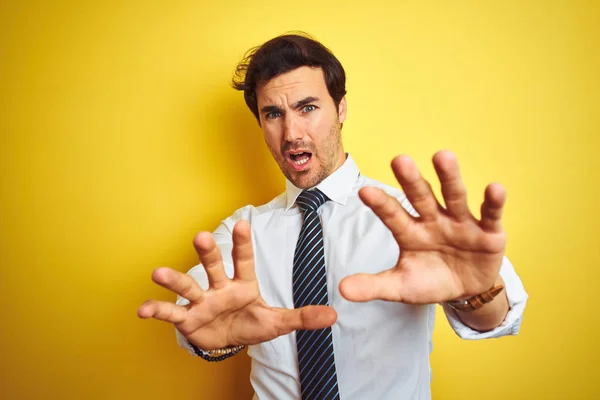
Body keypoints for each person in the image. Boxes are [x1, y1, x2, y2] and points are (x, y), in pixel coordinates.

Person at [138, 33, 528, 400]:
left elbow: (494, 318)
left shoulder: (410, 219)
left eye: (308, 108)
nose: (291, 133)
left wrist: (471, 292)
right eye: (273, 114)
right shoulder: (243, 232)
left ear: (340, 108)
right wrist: (215, 338)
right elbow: (199, 316)